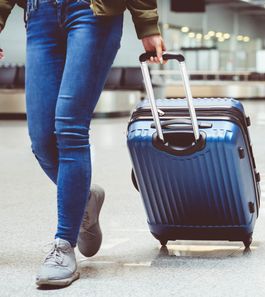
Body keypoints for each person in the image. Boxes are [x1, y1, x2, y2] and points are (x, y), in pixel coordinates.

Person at [0, 0, 166, 287]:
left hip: (91, 12)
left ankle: (64, 244)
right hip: (39, 14)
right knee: (40, 140)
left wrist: (147, 23)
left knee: (70, 127)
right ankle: (85, 199)